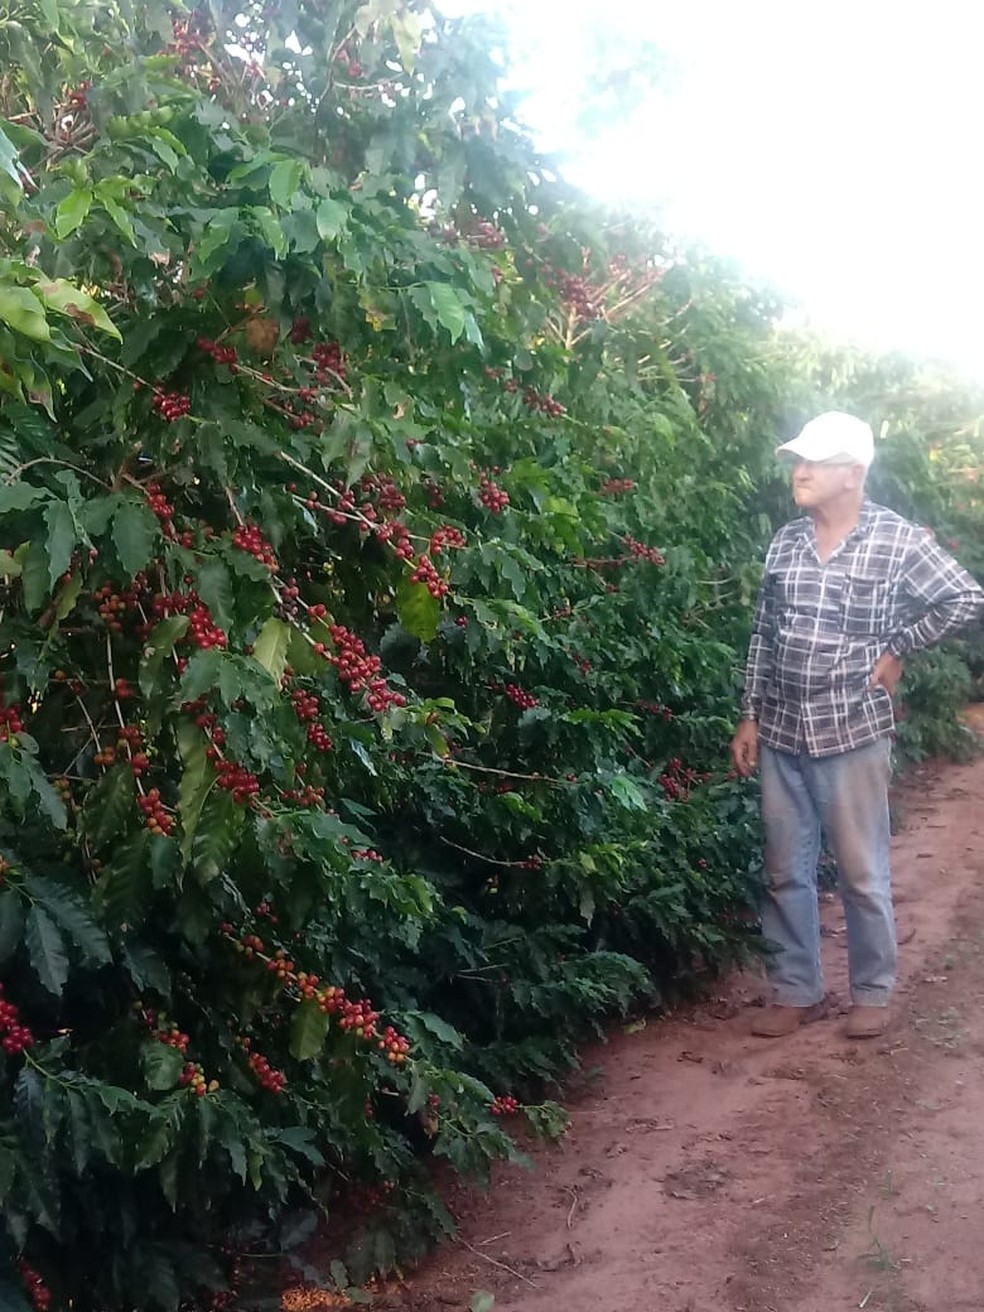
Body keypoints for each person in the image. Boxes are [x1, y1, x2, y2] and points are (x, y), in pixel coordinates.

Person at [731, 411, 984, 1039]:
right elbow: (764, 632)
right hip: (782, 730)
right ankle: (797, 991)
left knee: (861, 870)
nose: (800, 471)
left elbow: (966, 597)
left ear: (853, 472)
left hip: (850, 731)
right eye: (797, 460)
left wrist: (898, 646)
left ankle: (873, 990)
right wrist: (749, 715)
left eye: (814, 462)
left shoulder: (898, 540)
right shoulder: (786, 541)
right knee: (784, 869)